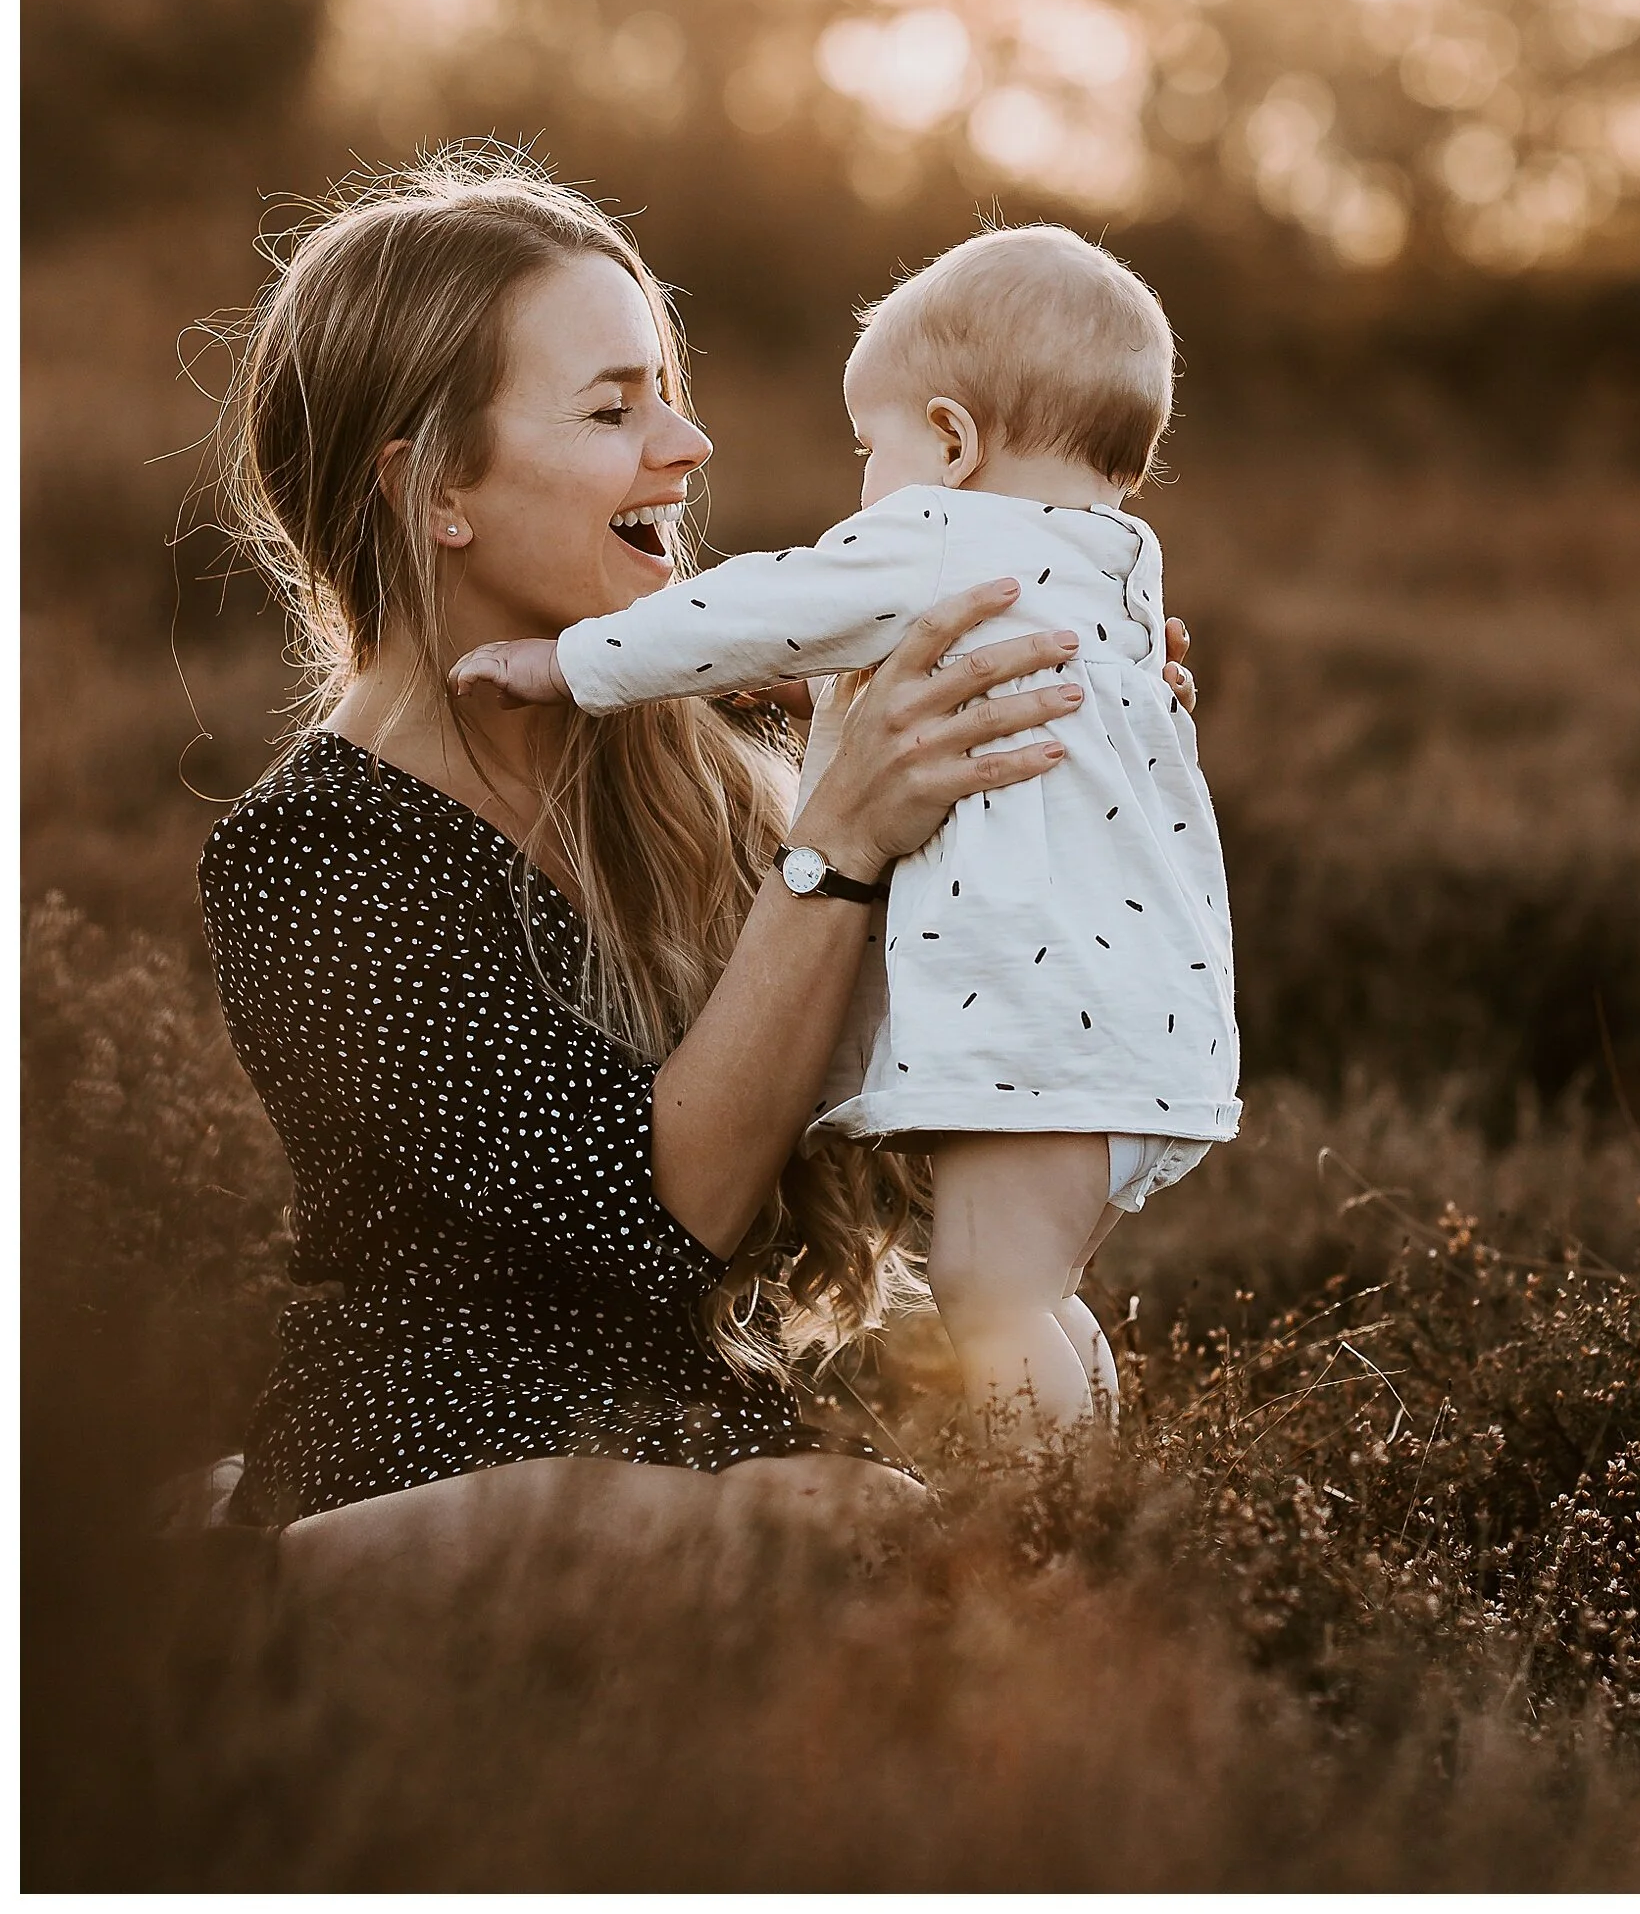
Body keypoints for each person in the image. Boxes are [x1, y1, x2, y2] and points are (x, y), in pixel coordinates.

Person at [197, 153, 1197, 1576]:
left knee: (872, 1537)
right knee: (817, 1536)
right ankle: (243, 1600)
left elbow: (912, 1109)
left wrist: (1053, 788)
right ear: (435, 495)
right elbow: (664, 1217)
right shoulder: (317, 859)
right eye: (616, 409)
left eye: (667, 390)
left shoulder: (708, 769)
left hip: (709, 1431)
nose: (688, 444)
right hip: (437, 1447)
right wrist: (843, 839)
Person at [450, 225, 1239, 1446]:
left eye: (870, 448)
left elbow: (755, 606)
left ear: (952, 441)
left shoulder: (937, 532)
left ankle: (1055, 1526)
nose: (863, 483)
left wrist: (566, 664)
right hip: (1146, 1026)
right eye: (613, 409)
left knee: (992, 1294)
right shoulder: (1118, 566)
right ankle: (1091, 1488)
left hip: (1039, 1032)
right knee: (1033, 1291)